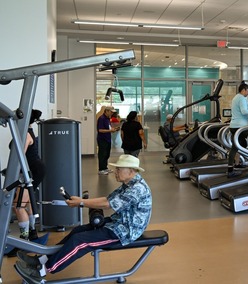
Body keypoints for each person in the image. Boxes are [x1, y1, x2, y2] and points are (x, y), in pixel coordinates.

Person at [15, 154, 152, 284]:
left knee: (80, 242)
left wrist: (81, 203)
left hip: (126, 231)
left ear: (132, 171)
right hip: (117, 223)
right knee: (78, 231)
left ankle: (42, 272)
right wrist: (80, 200)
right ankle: (42, 260)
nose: (115, 171)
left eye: (119, 169)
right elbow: (107, 199)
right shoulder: (128, 184)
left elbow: (107, 205)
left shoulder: (137, 188)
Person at [9, 109, 46, 249]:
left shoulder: (25, 135)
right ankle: (32, 234)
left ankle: (23, 240)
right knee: (28, 203)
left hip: (31, 171)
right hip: (34, 170)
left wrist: (13, 172)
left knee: (18, 206)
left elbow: (19, 157)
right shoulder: (28, 131)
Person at [227, 83, 248, 178]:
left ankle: (236, 164)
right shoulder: (242, 98)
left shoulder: (236, 97)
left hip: (235, 126)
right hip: (240, 127)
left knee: (241, 145)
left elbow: (244, 111)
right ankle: (230, 170)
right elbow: (244, 111)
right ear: (244, 90)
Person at [97, 106, 119, 175]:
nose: (112, 113)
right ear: (106, 111)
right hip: (102, 139)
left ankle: (105, 168)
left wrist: (113, 129)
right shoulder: (102, 118)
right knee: (102, 154)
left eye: (112, 112)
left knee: (107, 154)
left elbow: (108, 128)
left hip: (107, 139)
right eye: (111, 112)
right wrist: (110, 130)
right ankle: (101, 169)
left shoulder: (107, 119)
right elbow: (100, 130)